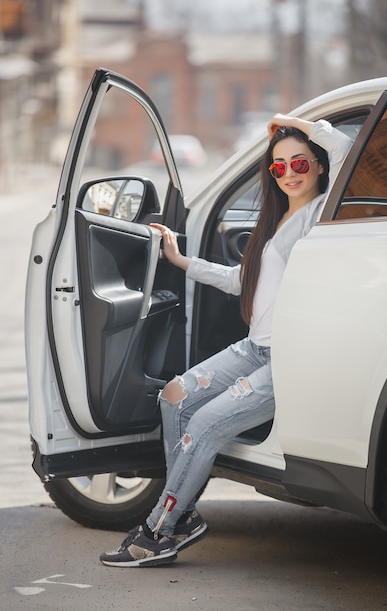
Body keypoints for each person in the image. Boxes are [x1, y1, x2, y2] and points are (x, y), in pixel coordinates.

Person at [99, 114, 352, 568]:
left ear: (318, 166)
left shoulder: (320, 214)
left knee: (205, 426)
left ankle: (159, 530)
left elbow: (347, 152)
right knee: (174, 397)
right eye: (278, 168)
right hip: (255, 348)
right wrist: (181, 260)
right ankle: (185, 512)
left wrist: (298, 124)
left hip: (289, 359)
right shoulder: (278, 219)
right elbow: (242, 280)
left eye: (300, 163)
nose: (289, 173)